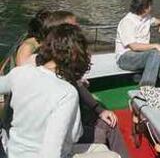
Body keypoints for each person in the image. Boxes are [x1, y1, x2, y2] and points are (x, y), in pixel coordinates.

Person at [0, 24, 110, 157]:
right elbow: (56, 147)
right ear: (76, 55)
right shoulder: (67, 93)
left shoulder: (20, 73)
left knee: (100, 148)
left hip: (13, 152)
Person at [41, 10, 129, 158]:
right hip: (62, 140)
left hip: (68, 132)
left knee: (108, 122)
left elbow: (77, 86)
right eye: (75, 28)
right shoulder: (53, 76)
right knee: (105, 129)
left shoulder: (55, 65)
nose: (79, 31)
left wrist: (99, 110)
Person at [115, 0, 160, 86]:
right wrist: (155, 45)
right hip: (125, 57)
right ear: (145, 8)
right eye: (150, 6)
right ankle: (146, 88)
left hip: (140, 55)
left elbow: (156, 21)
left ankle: (142, 78)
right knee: (155, 53)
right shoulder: (127, 22)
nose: (152, 8)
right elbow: (134, 46)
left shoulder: (146, 18)